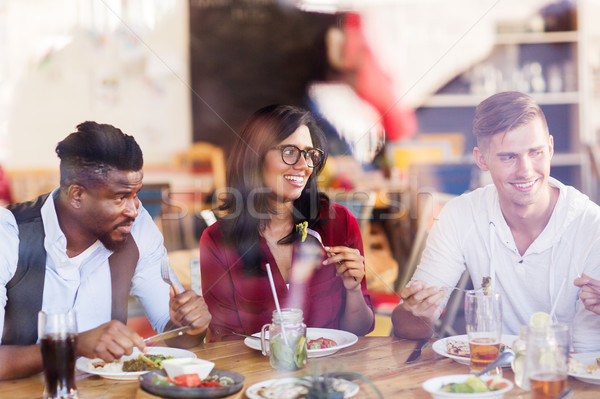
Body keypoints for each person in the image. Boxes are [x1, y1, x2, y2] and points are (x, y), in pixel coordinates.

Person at [391, 91, 600, 352]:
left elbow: (588, 353)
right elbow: (408, 327)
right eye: (508, 157)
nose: (525, 169)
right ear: (482, 159)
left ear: (550, 148)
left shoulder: (592, 227)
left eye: (535, 152)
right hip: (491, 377)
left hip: (560, 380)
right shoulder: (459, 214)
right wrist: (416, 312)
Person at [0, 122, 211, 380]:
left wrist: (191, 327)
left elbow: (177, 337)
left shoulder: (138, 228)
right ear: (77, 195)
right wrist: (73, 344)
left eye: (136, 194)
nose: (134, 210)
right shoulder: (9, 234)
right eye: (120, 197)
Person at [199, 105, 374, 341]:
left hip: (328, 372)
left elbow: (359, 330)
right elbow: (222, 340)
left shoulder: (338, 224)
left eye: (310, 155)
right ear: (254, 156)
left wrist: (353, 291)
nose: (304, 165)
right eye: (290, 152)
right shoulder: (219, 240)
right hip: (260, 375)